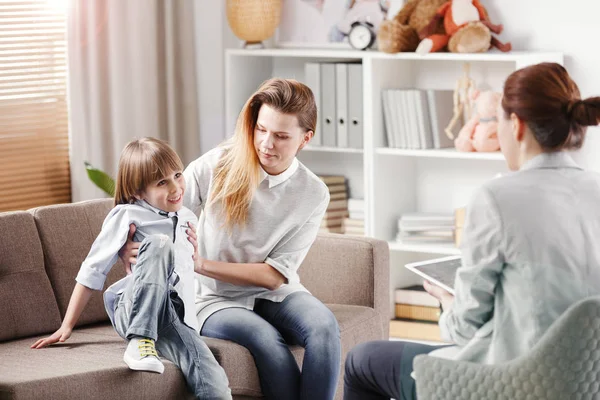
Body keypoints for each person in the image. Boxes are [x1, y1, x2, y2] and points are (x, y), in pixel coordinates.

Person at [343, 62, 600, 400]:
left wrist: (449, 304)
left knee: (362, 361)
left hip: (511, 382)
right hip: (586, 383)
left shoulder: (497, 198)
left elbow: (464, 329)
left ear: (516, 125)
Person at [119, 78, 341, 400]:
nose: (266, 143)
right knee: (264, 339)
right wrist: (128, 240)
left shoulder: (313, 193)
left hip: (276, 292)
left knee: (323, 328)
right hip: (213, 297)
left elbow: (273, 276)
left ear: (305, 139)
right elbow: (158, 207)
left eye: (280, 136)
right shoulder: (219, 164)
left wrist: (201, 264)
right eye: (261, 130)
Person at [32, 137, 232, 400]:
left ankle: (154, 339)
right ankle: (139, 339)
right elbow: (93, 269)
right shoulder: (127, 216)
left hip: (172, 316)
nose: (175, 187)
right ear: (139, 192)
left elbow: (184, 274)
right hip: (133, 306)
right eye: (162, 182)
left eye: (177, 175)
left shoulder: (187, 218)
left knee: (213, 377)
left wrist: (190, 328)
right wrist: (66, 326)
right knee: (159, 244)